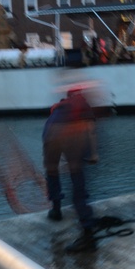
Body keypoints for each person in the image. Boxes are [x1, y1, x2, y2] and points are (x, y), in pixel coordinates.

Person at [43, 85, 98, 253]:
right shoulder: (84, 105)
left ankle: (56, 209)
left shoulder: (60, 106)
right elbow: (90, 130)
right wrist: (93, 154)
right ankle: (87, 231)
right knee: (77, 176)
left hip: (50, 131)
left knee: (51, 170)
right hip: (73, 132)